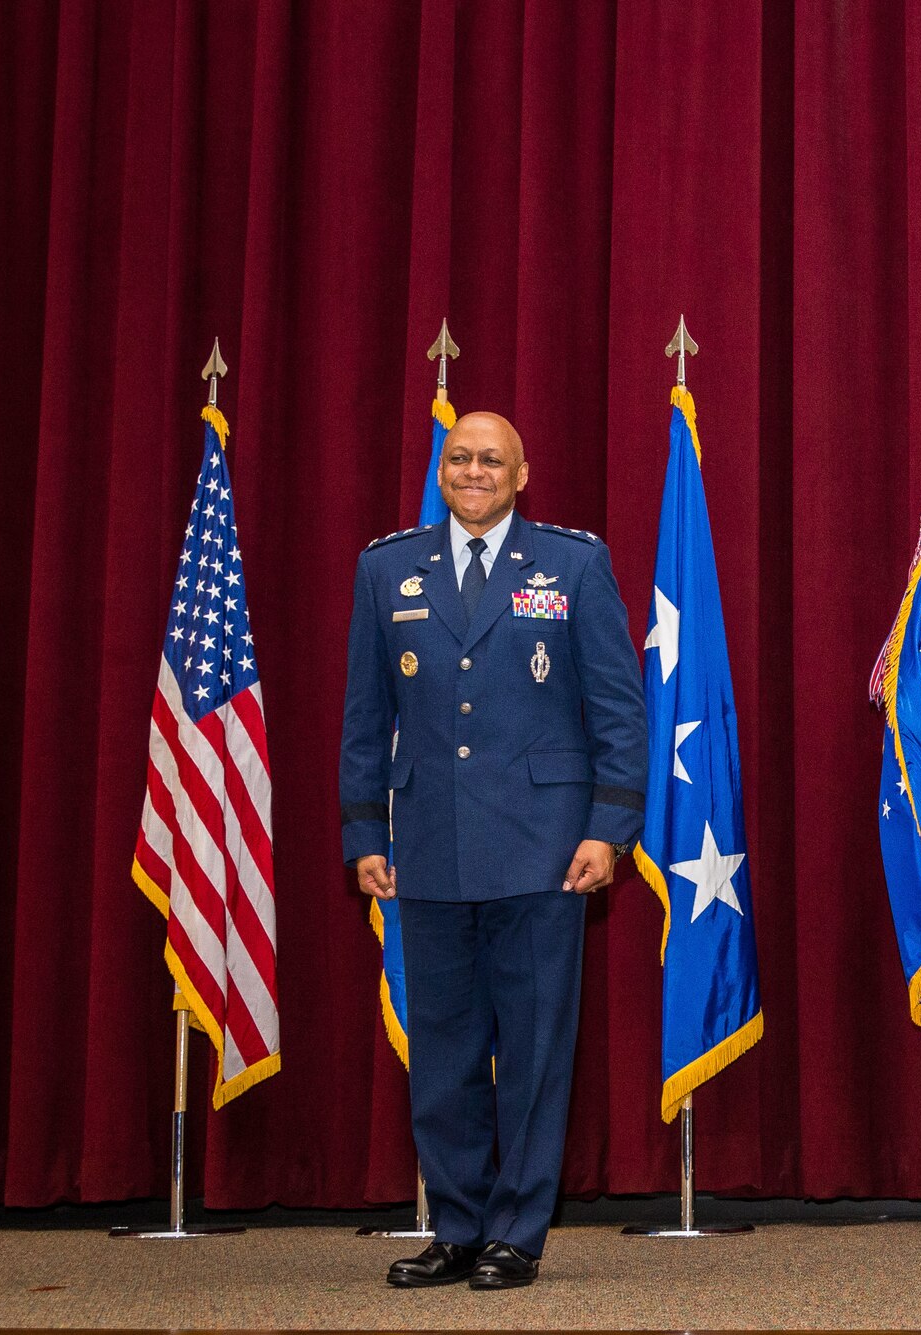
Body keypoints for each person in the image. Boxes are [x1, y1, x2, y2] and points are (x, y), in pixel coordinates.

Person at [339, 411, 646, 1289]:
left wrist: (608, 828)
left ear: (522, 472)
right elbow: (366, 717)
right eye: (460, 457)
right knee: (442, 1051)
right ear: (442, 469)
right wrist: (364, 830)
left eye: (492, 460)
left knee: (536, 1049)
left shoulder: (573, 563)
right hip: (427, 846)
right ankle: (458, 1226)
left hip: (545, 848)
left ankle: (518, 1231)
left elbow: (618, 712)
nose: (474, 471)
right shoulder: (387, 566)